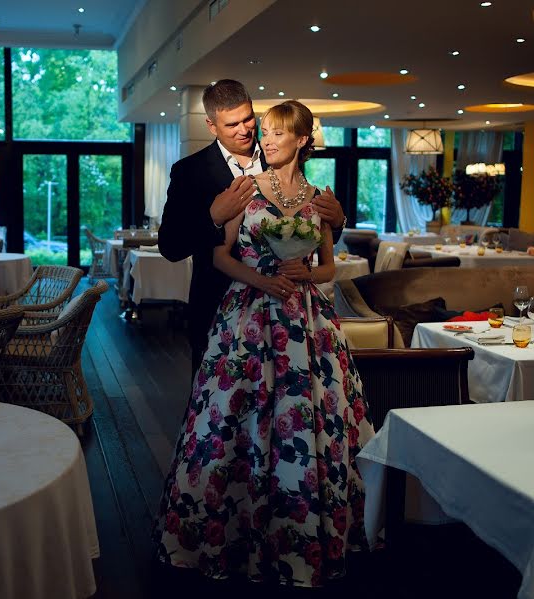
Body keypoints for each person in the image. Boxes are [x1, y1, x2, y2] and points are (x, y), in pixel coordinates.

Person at [154, 100, 374, 588]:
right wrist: (261, 278)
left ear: (300, 140)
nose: (263, 139)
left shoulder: (319, 199)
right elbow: (218, 256)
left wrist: (307, 273)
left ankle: (304, 528)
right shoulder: (244, 189)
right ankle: (231, 528)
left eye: (274, 132)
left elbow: (329, 268)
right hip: (246, 317)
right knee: (234, 420)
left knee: (310, 419)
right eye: (261, 131)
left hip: (306, 323)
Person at [158, 80, 346, 377]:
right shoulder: (189, 172)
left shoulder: (279, 153)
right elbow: (170, 247)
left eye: (248, 118)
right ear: (211, 125)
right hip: (216, 304)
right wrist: (213, 218)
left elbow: (301, 229)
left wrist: (337, 222)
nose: (245, 129)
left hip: (285, 308)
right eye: (232, 124)